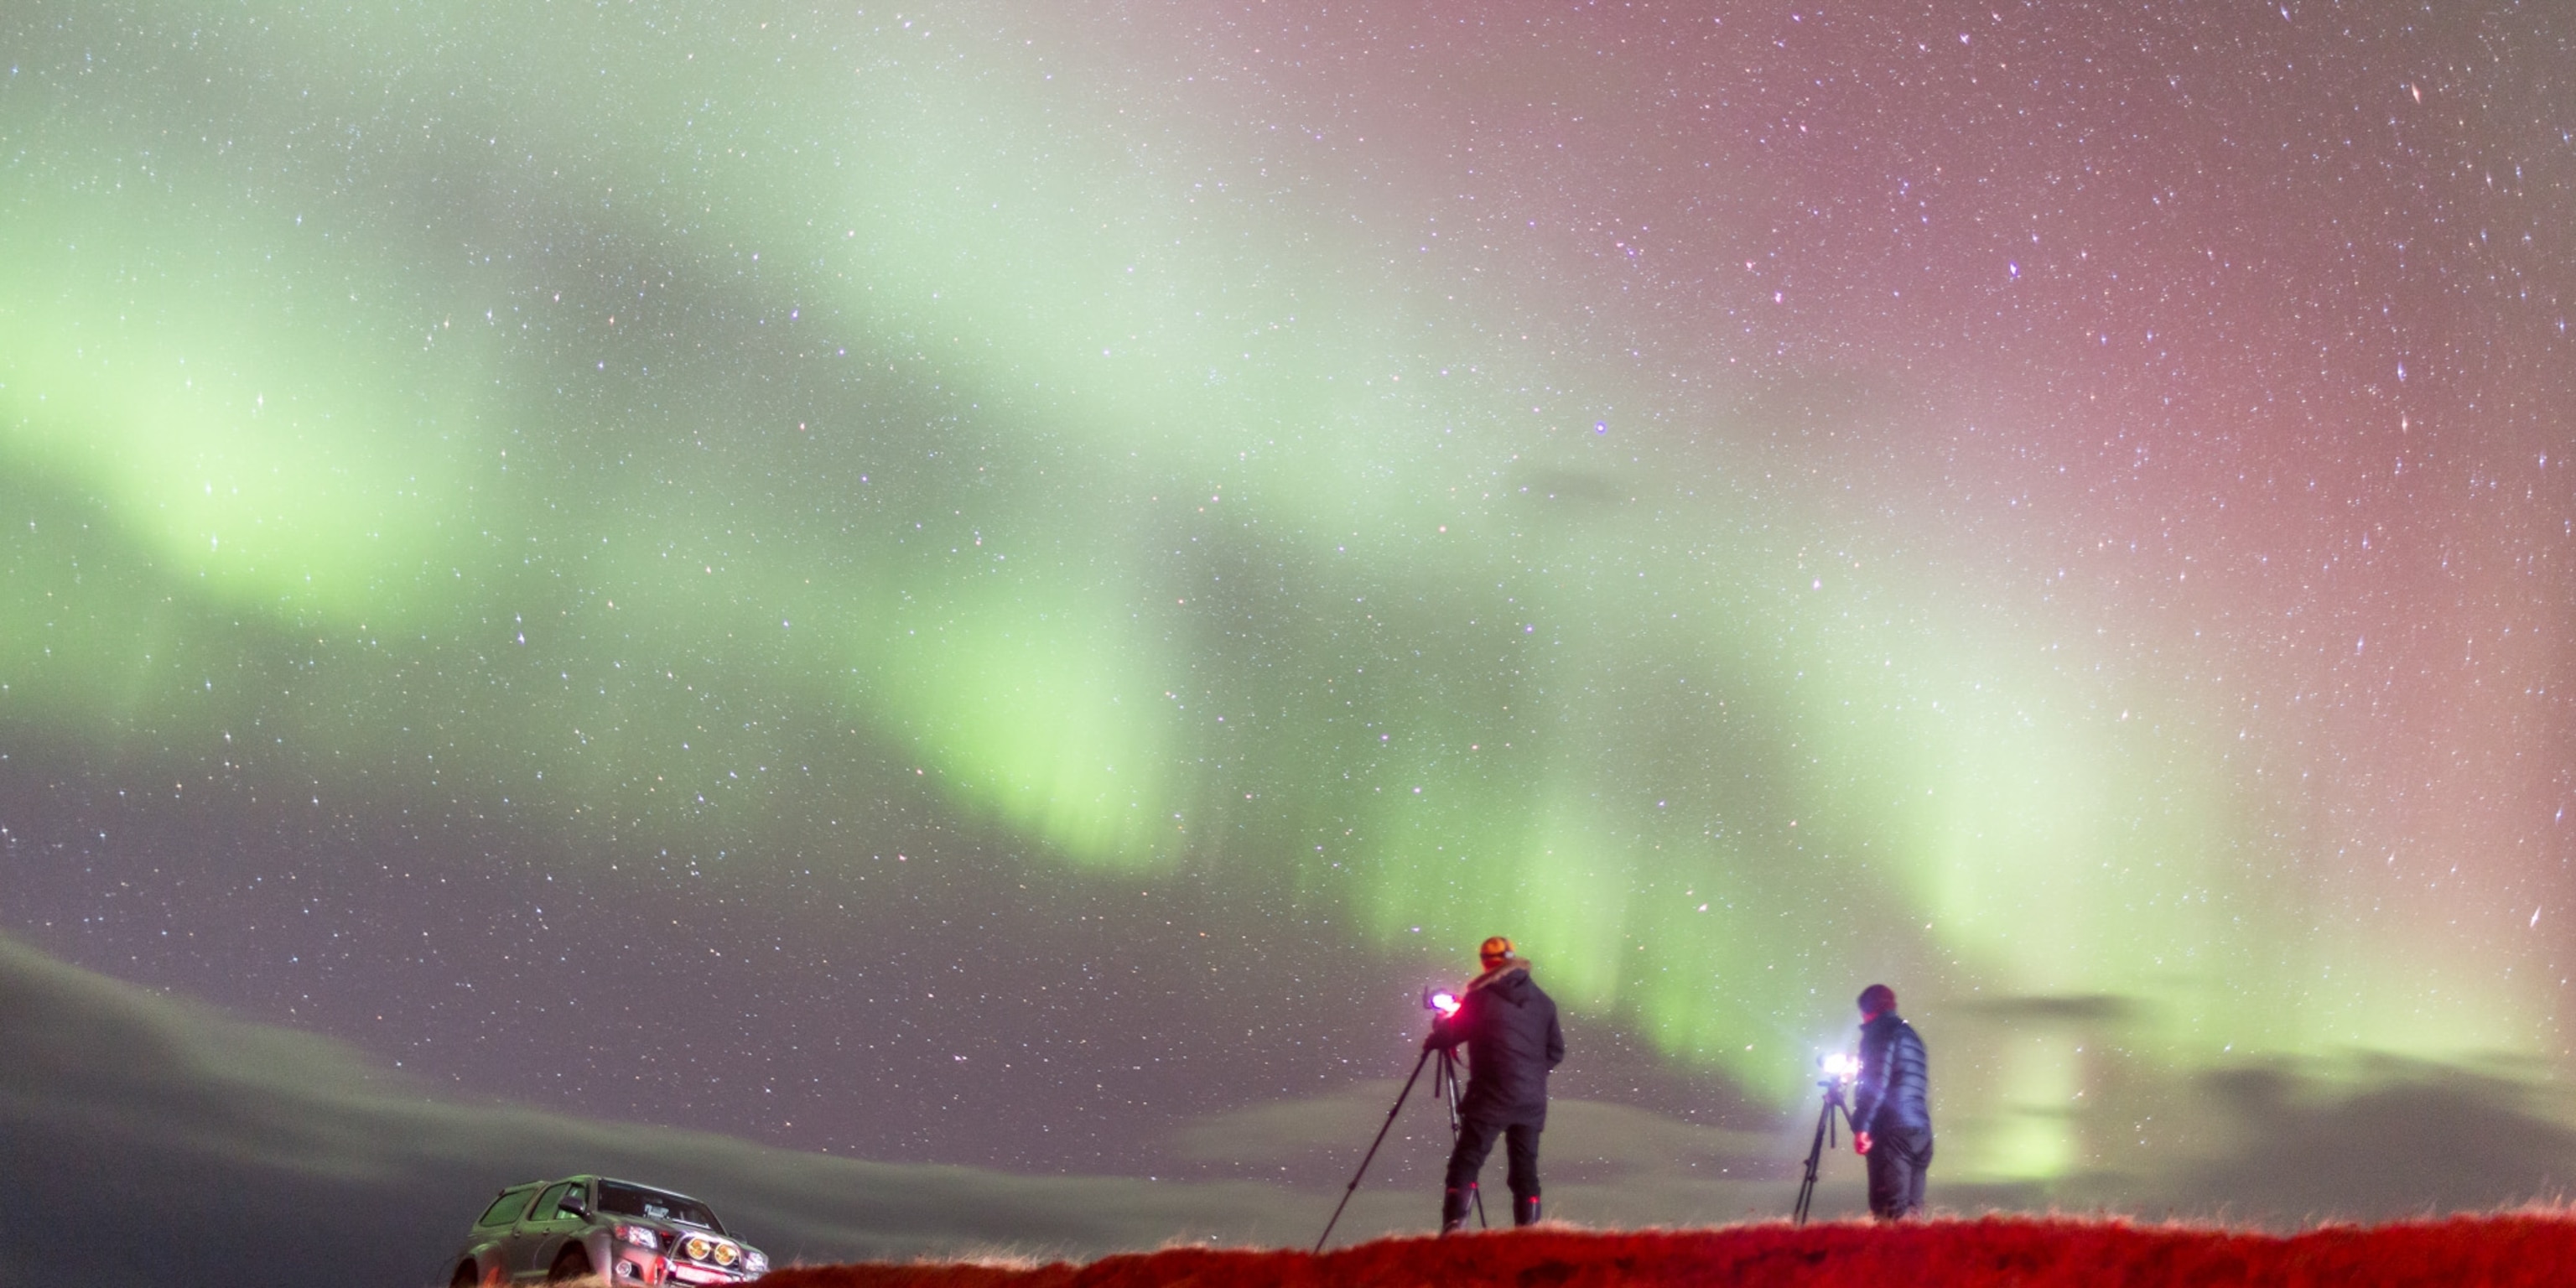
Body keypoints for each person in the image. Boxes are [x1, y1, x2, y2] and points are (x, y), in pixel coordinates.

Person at [1425, 936, 1564, 1233]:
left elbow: (1448, 1037)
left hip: (1490, 1096)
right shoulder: (1543, 1002)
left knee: (1467, 1160)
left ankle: (1454, 1231)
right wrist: (1530, 1075)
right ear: (1512, 958)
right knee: (1525, 1169)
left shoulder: (1479, 999)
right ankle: (1529, 1235)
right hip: (1531, 1101)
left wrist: (1440, 1025)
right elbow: (1555, 1052)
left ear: (1485, 963)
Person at [1847, 983, 1932, 1219]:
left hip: (1892, 1133)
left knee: (1889, 1212)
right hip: (1920, 1132)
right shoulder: (1912, 1035)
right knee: (1913, 1215)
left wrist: (1862, 1127)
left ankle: (1890, 1256)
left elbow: (1876, 1083)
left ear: (1867, 1010)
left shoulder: (1878, 1033)